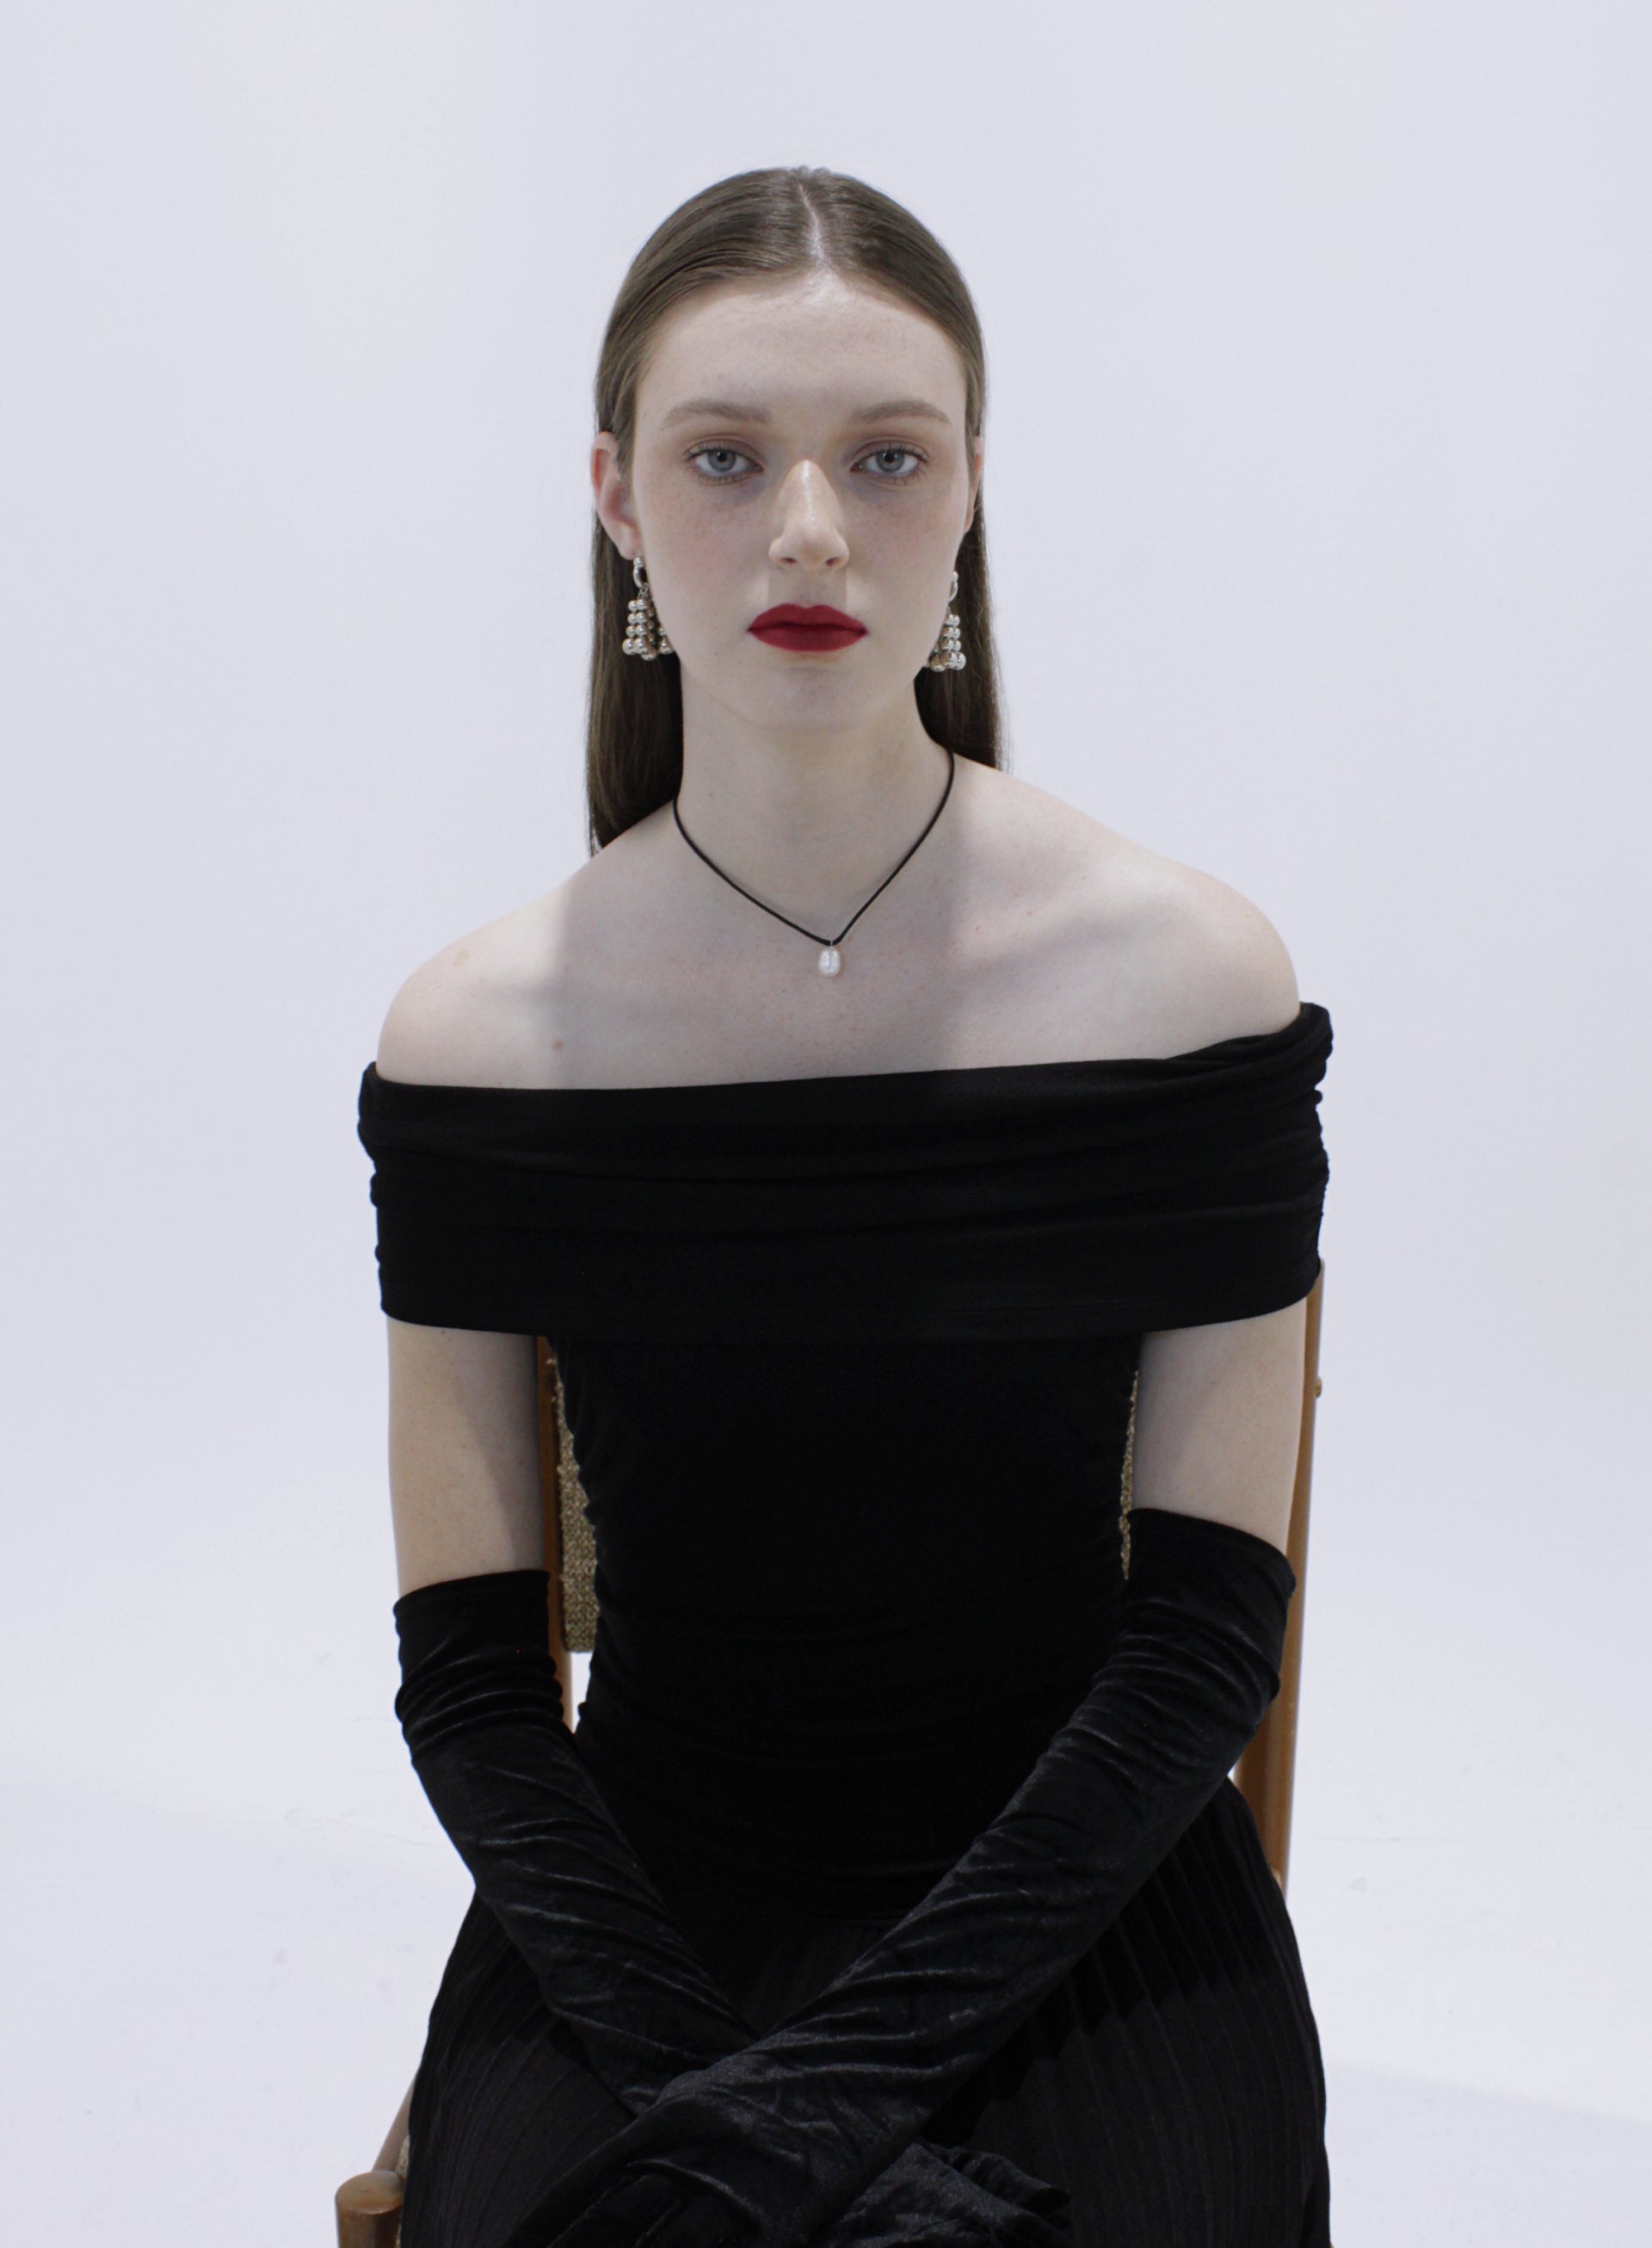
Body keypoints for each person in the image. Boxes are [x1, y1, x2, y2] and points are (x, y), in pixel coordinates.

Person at [357, 165, 1334, 2248]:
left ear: (971, 490)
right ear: (618, 497)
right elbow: (475, 1684)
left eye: (884, 457)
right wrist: (742, 2107)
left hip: (1097, 1885)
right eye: (730, 457)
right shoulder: (477, 1038)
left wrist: (824, 2112)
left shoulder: (1193, 986)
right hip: (633, 1900)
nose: (811, 528)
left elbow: (1195, 1649)